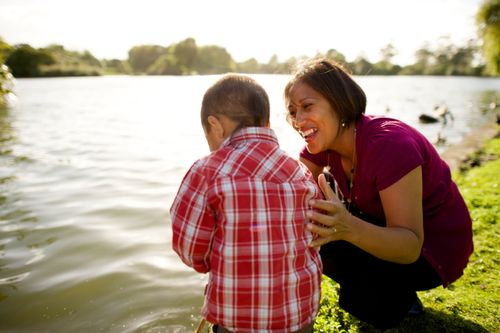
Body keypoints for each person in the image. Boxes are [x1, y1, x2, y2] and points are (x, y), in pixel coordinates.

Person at [284, 58, 473, 329]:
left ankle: (397, 297)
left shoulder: (389, 145)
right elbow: (288, 193)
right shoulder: (323, 142)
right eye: (292, 111)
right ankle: (392, 292)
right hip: (387, 231)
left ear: (338, 102)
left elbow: (410, 246)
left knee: (366, 297)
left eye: (307, 106)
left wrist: (346, 227)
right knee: (311, 229)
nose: (298, 120)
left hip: (433, 250)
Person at [170, 74, 323, 333]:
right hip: (300, 317)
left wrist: (223, 259)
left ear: (215, 126)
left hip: (237, 323)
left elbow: (191, 250)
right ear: (267, 122)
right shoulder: (301, 172)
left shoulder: (206, 171)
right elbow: (314, 235)